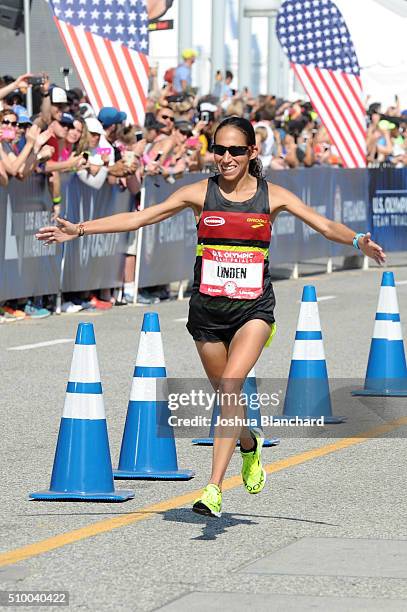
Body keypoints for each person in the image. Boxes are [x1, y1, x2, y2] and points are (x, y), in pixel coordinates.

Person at [36, 116, 386, 518]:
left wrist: (357, 240)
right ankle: (249, 445)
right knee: (226, 395)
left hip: (254, 309)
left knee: (232, 386)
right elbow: (139, 219)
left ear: (252, 152)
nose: (226, 157)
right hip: (207, 312)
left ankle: (214, 488)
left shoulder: (273, 197)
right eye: (219, 149)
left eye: (236, 150)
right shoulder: (200, 193)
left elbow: (324, 225)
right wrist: (79, 230)